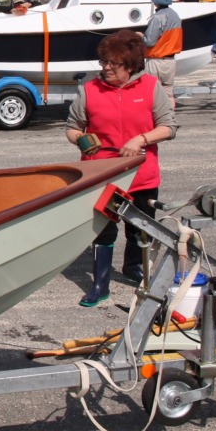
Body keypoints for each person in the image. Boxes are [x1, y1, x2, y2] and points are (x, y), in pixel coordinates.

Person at [65, 29, 176, 307]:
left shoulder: (151, 87)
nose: (106, 68)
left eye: (113, 63)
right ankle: (100, 285)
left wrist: (141, 138)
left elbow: (168, 127)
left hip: (142, 175)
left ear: (131, 65)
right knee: (103, 230)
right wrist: (81, 140)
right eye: (104, 62)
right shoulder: (89, 90)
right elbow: (72, 128)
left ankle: (134, 268)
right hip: (101, 174)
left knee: (140, 229)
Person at [139, 0, 182, 110]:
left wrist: (140, 36)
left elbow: (149, 41)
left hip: (156, 60)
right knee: (168, 93)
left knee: (149, 91)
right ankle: (169, 120)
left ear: (155, 1)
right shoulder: (175, 16)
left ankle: (152, 122)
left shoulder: (157, 17)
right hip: (170, 61)